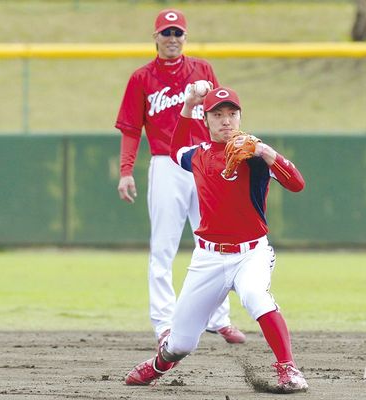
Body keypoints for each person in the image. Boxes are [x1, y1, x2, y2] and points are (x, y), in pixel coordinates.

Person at [124, 86, 309, 393]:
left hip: (251, 253)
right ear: (206, 119)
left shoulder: (256, 155)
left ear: (240, 117)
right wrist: (187, 106)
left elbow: (298, 184)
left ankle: (288, 369)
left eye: (232, 114)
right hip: (208, 258)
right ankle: (158, 364)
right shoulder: (197, 155)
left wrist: (266, 152)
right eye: (218, 114)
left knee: (255, 296)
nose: (226, 121)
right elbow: (175, 150)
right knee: (180, 343)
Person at [115, 9, 245, 345]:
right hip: (165, 164)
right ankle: (164, 324)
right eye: (166, 33)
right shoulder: (141, 78)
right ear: (155, 37)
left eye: (178, 33)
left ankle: (218, 319)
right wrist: (126, 171)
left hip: (204, 160)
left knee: (215, 242)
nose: (172, 39)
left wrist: (227, 156)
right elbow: (131, 129)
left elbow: (222, 116)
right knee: (163, 247)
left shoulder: (202, 70)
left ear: (185, 37)